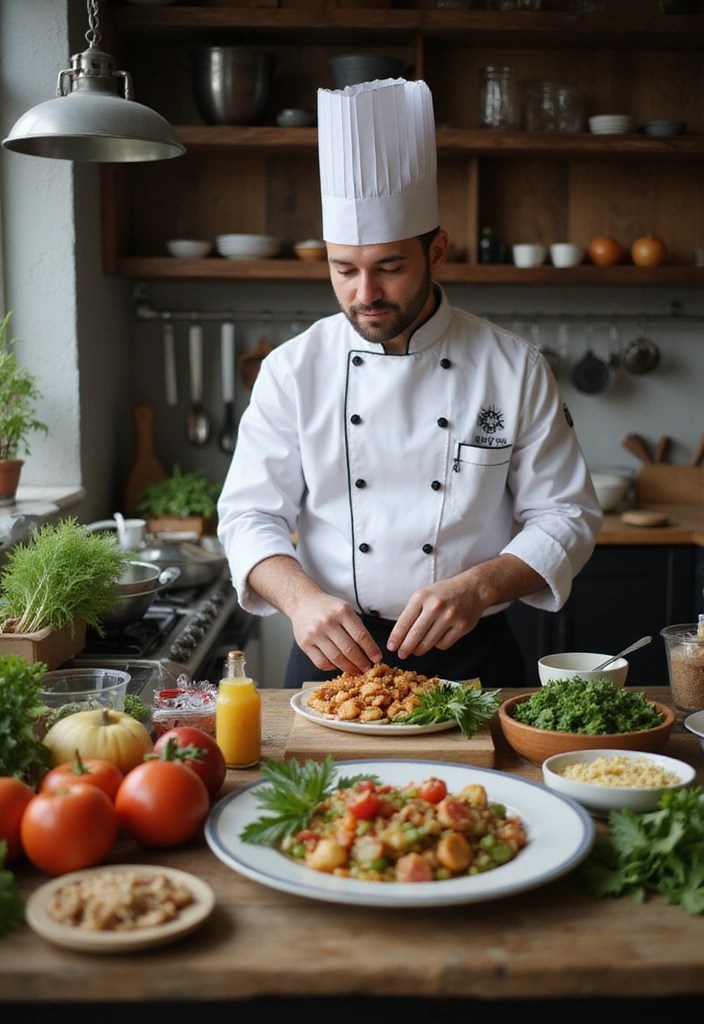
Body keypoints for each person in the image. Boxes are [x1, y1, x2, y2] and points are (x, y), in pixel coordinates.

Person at [217, 77, 603, 689]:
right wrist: (300, 602)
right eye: (343, 270)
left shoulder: (513, 366)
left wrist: (480, 585)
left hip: (475, 660)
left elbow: (566, 514)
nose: (364, 294)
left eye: (389, 268)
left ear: (437, 250)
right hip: (331, 659)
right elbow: (247, 516)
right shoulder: (293, 368)